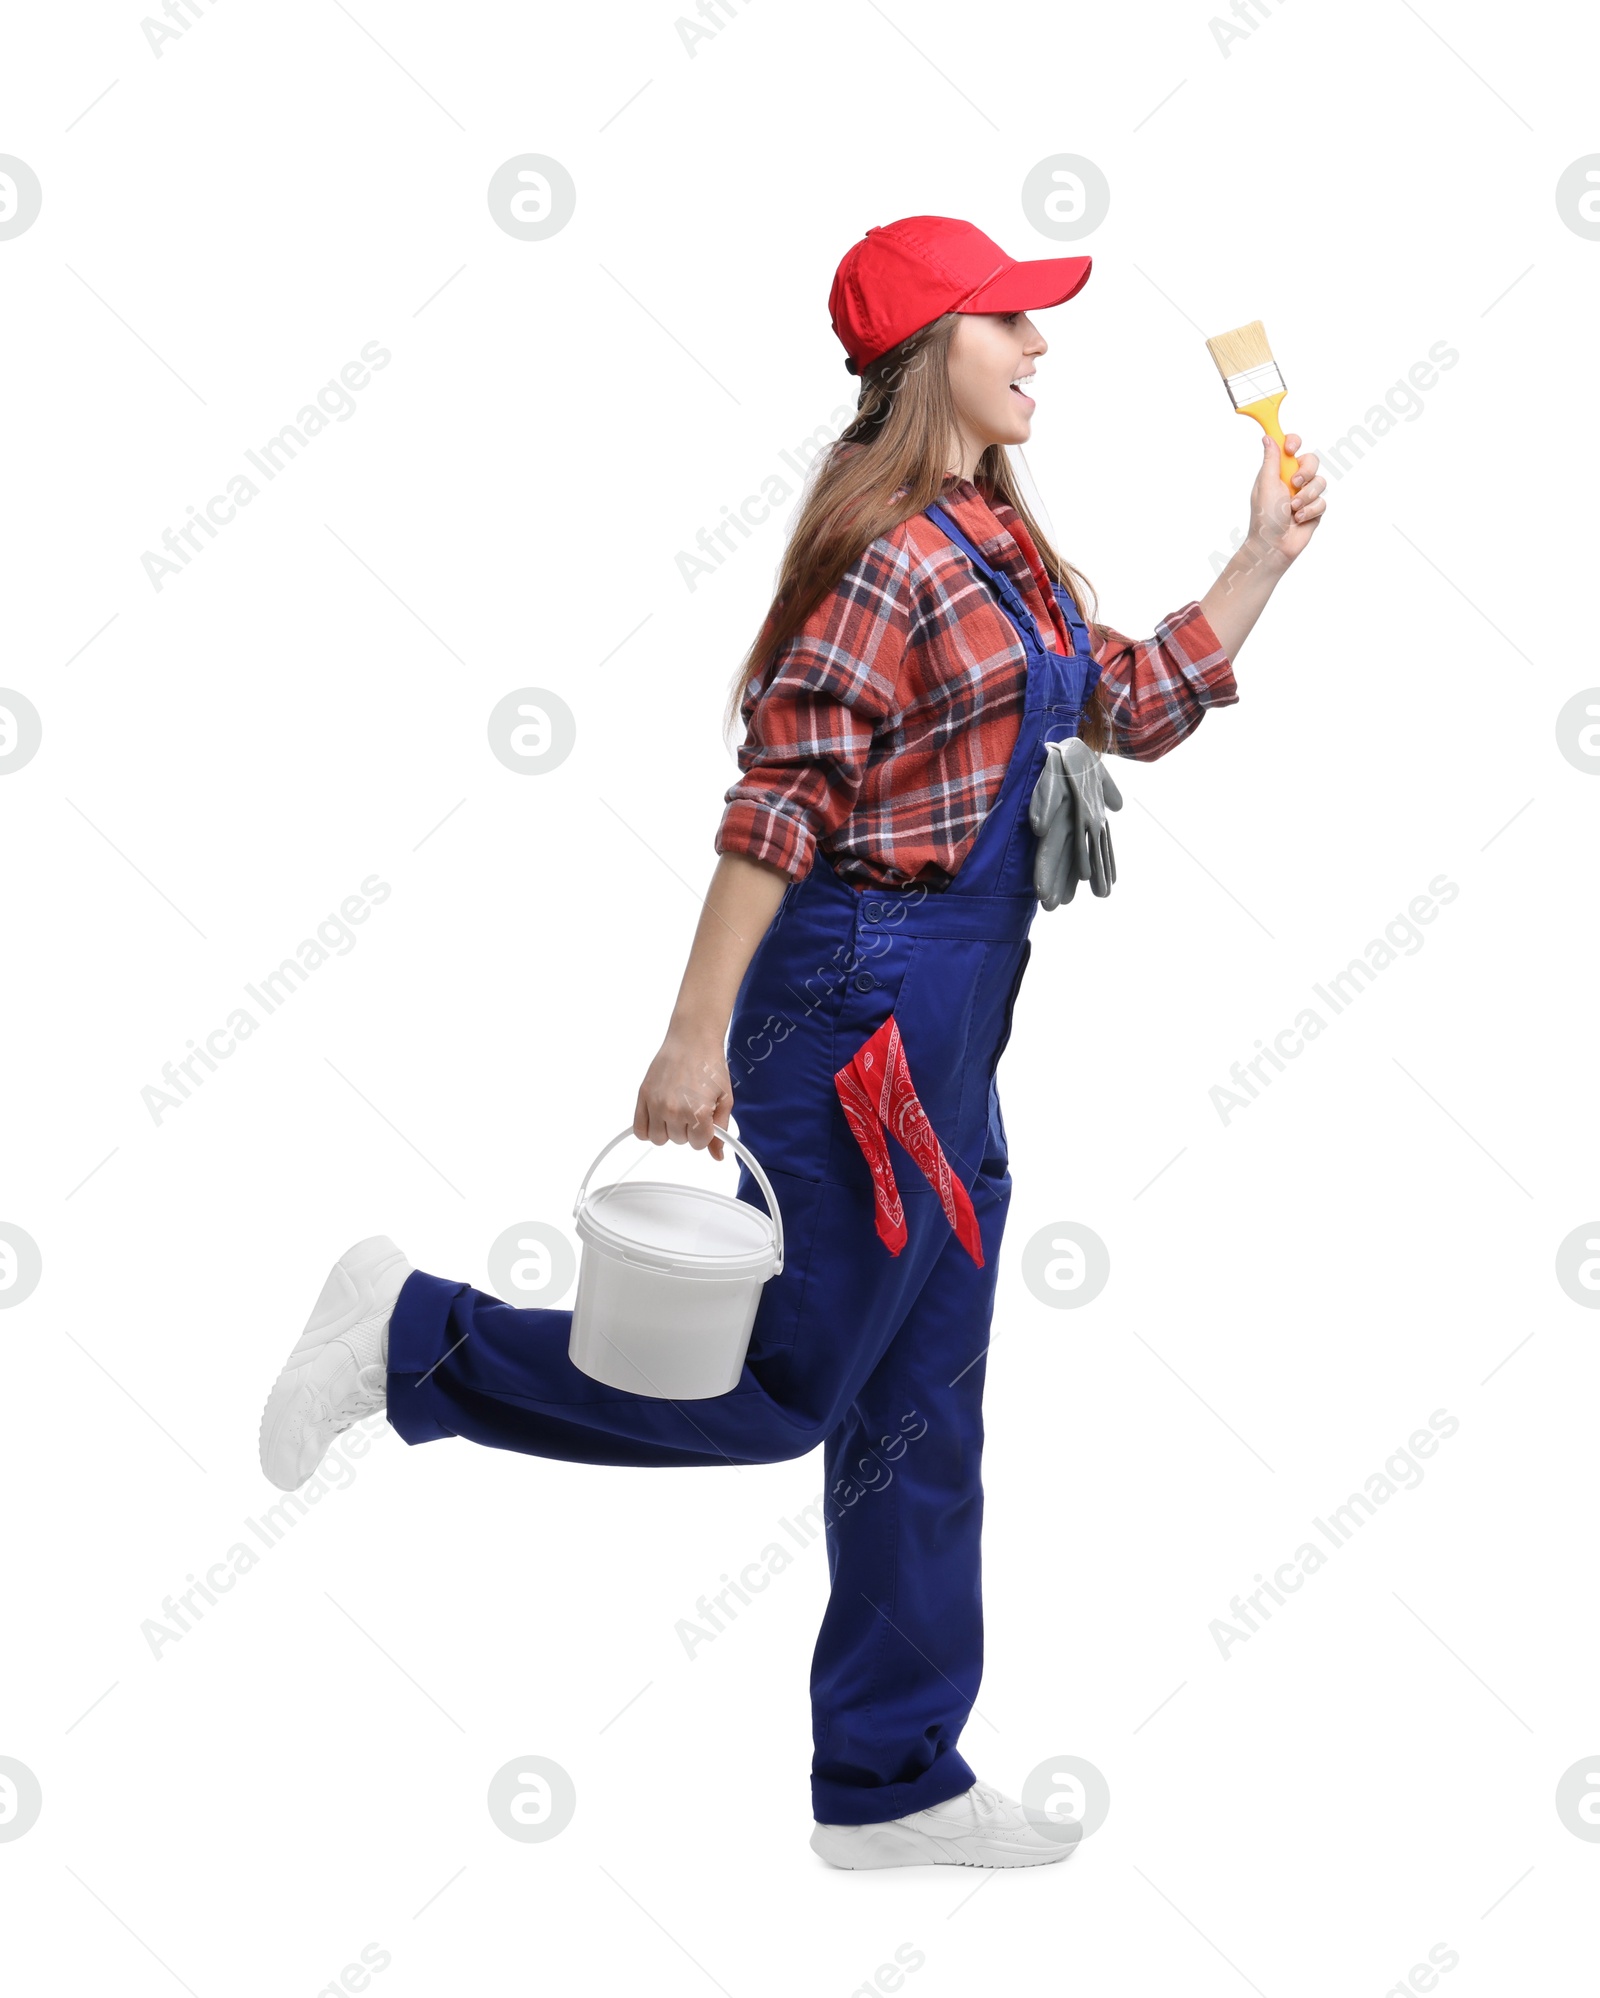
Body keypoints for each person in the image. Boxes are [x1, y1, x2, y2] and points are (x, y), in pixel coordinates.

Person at [258, 215, 1325, 1870]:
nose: (1043, 348)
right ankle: (411, 1337)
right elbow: (780, 806)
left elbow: (1125, 704)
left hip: (961, 1024)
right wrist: (692, 1039)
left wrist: (1259, 558)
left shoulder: (1002, 543)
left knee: (927, 1400)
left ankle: (894, 1777)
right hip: (857, 1007)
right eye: (1012, 323)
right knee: (781, 1389)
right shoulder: (889, 556)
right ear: (927, 353)